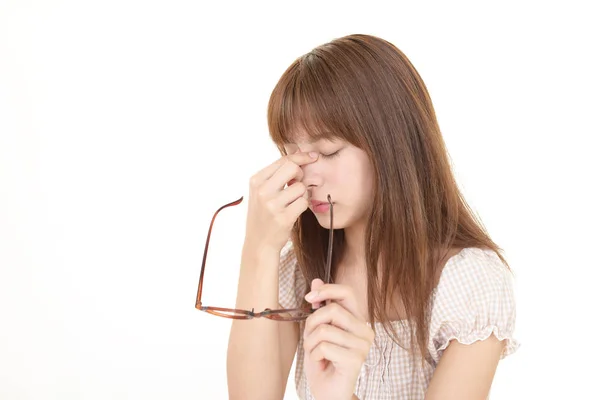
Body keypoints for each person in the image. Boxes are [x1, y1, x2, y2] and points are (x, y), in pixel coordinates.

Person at [225, 33, 519, 400]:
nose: (305, 177)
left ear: (393, 144)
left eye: (328, 151)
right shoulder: (298, 272)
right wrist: (259, 248)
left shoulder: (467, 282)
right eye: (291, 153)